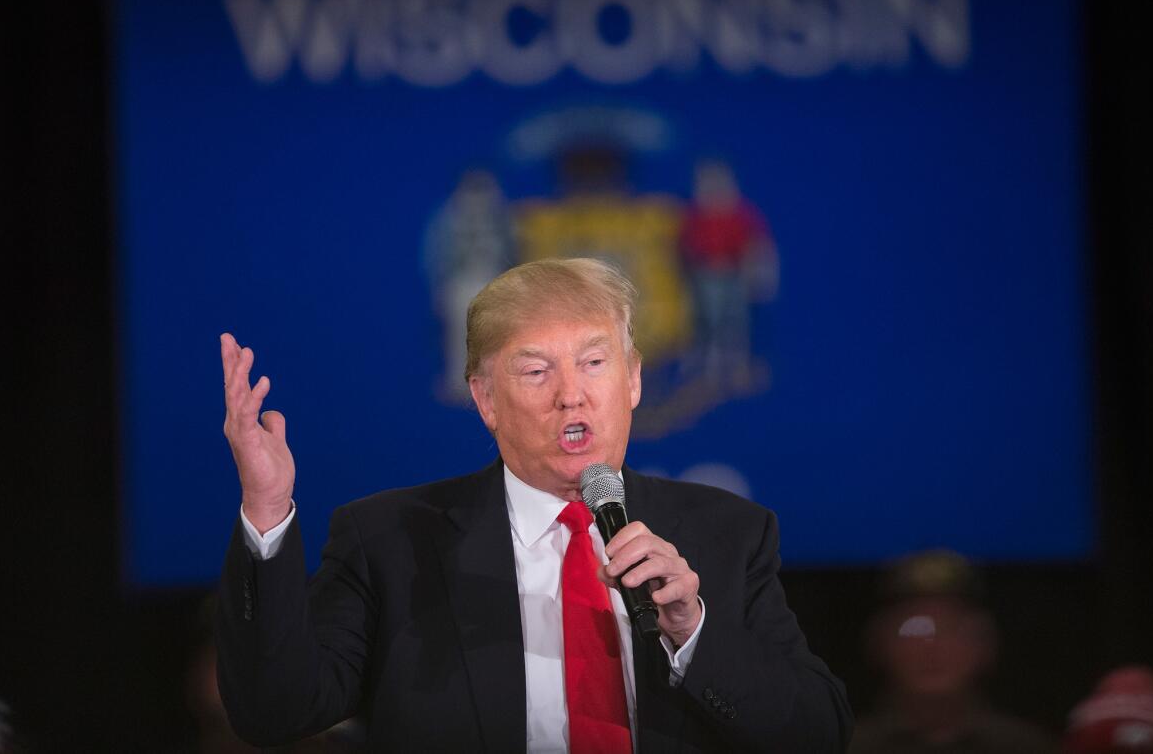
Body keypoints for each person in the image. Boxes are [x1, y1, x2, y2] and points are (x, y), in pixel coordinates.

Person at [216, 257, 851, 752]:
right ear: (486, 399)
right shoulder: (388, 541)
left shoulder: (729, 534)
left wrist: (693, 631)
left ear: (633, 380)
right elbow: (275, 713)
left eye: (595, 362)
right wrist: (267, 510)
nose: (572, 397)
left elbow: (818, 736)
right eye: (537, 372)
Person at [849, 549, 1054, 754]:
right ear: (879, 644)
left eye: (952, 629)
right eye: (914, 630)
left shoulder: (1026, 747)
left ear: (985, 645)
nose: (932, 647)